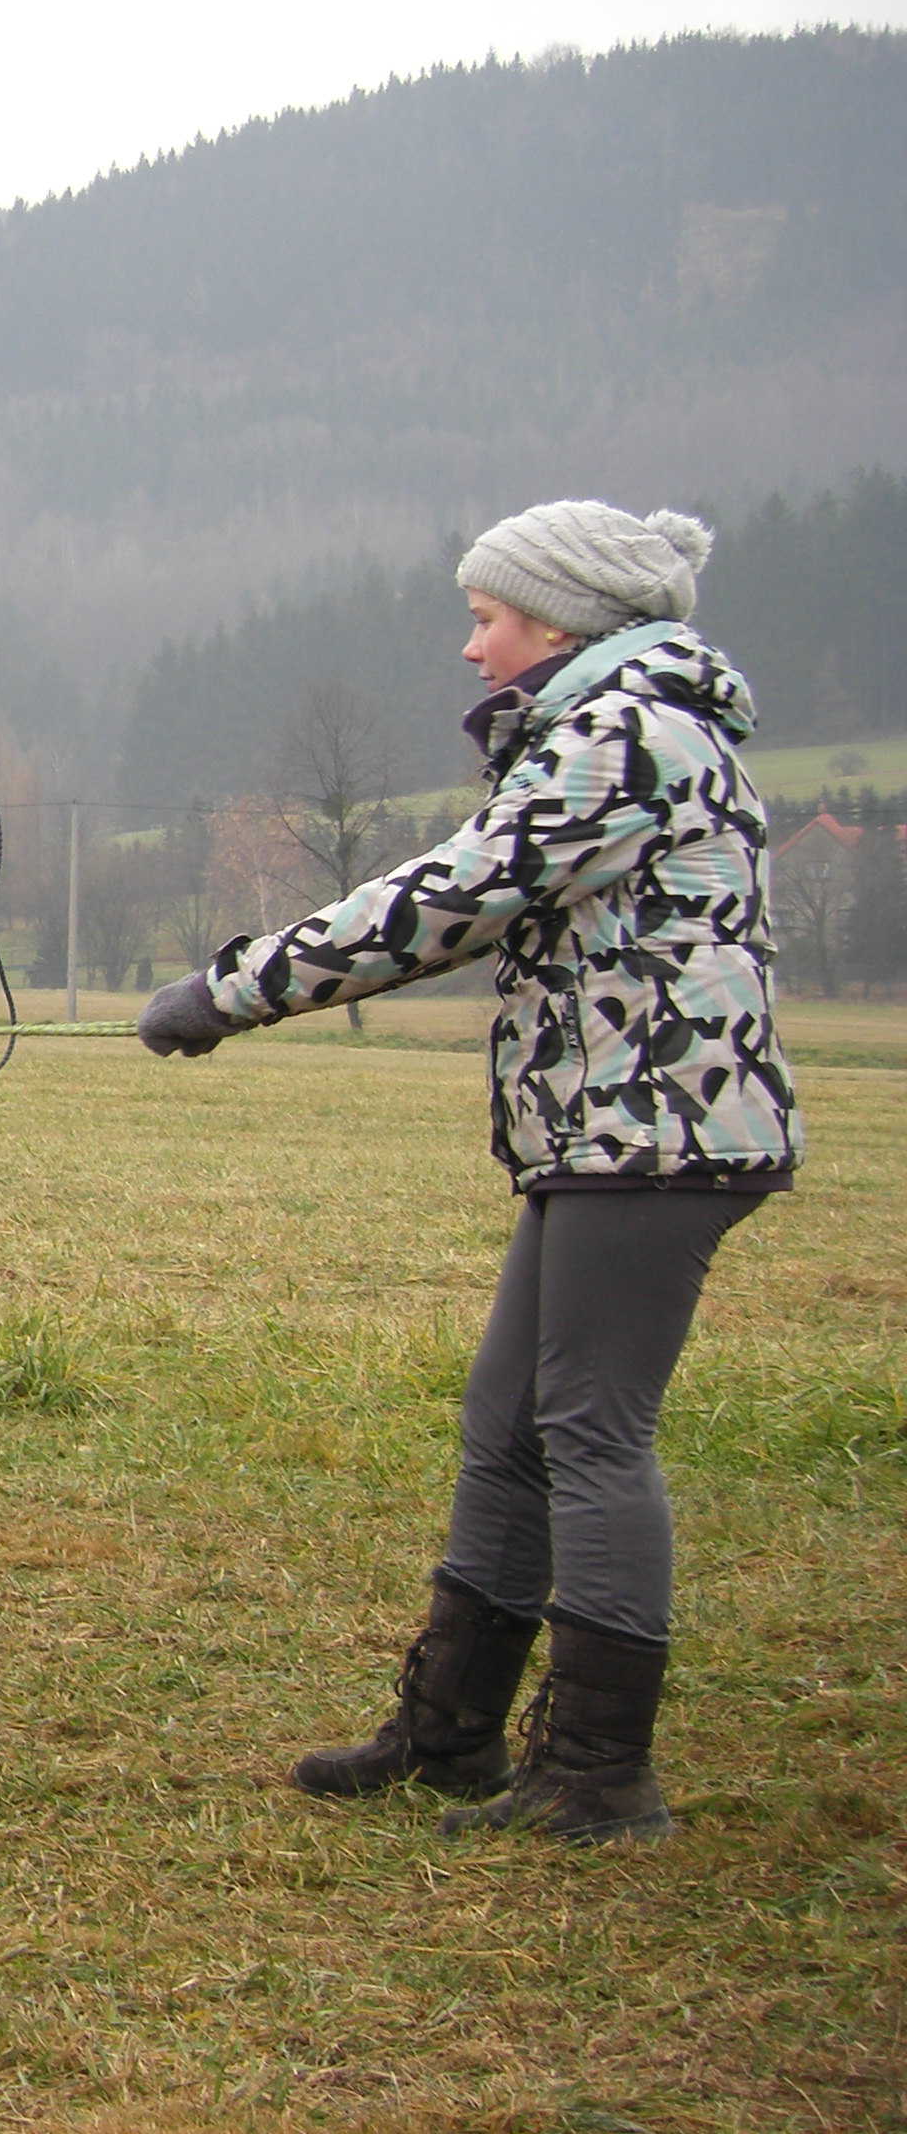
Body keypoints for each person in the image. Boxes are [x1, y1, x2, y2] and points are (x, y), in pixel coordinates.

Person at [139, 500, 800, 1844]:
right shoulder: (614, 731)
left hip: (657, 1133)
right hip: (603, 1135)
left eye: (486, 617)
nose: (468, 646)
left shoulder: (625, 740)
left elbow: (447, 900)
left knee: (590, 1433)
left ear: (560, 622)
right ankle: (450, 1736)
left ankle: (601, 1777)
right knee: (508, 1428)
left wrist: (228, 993)